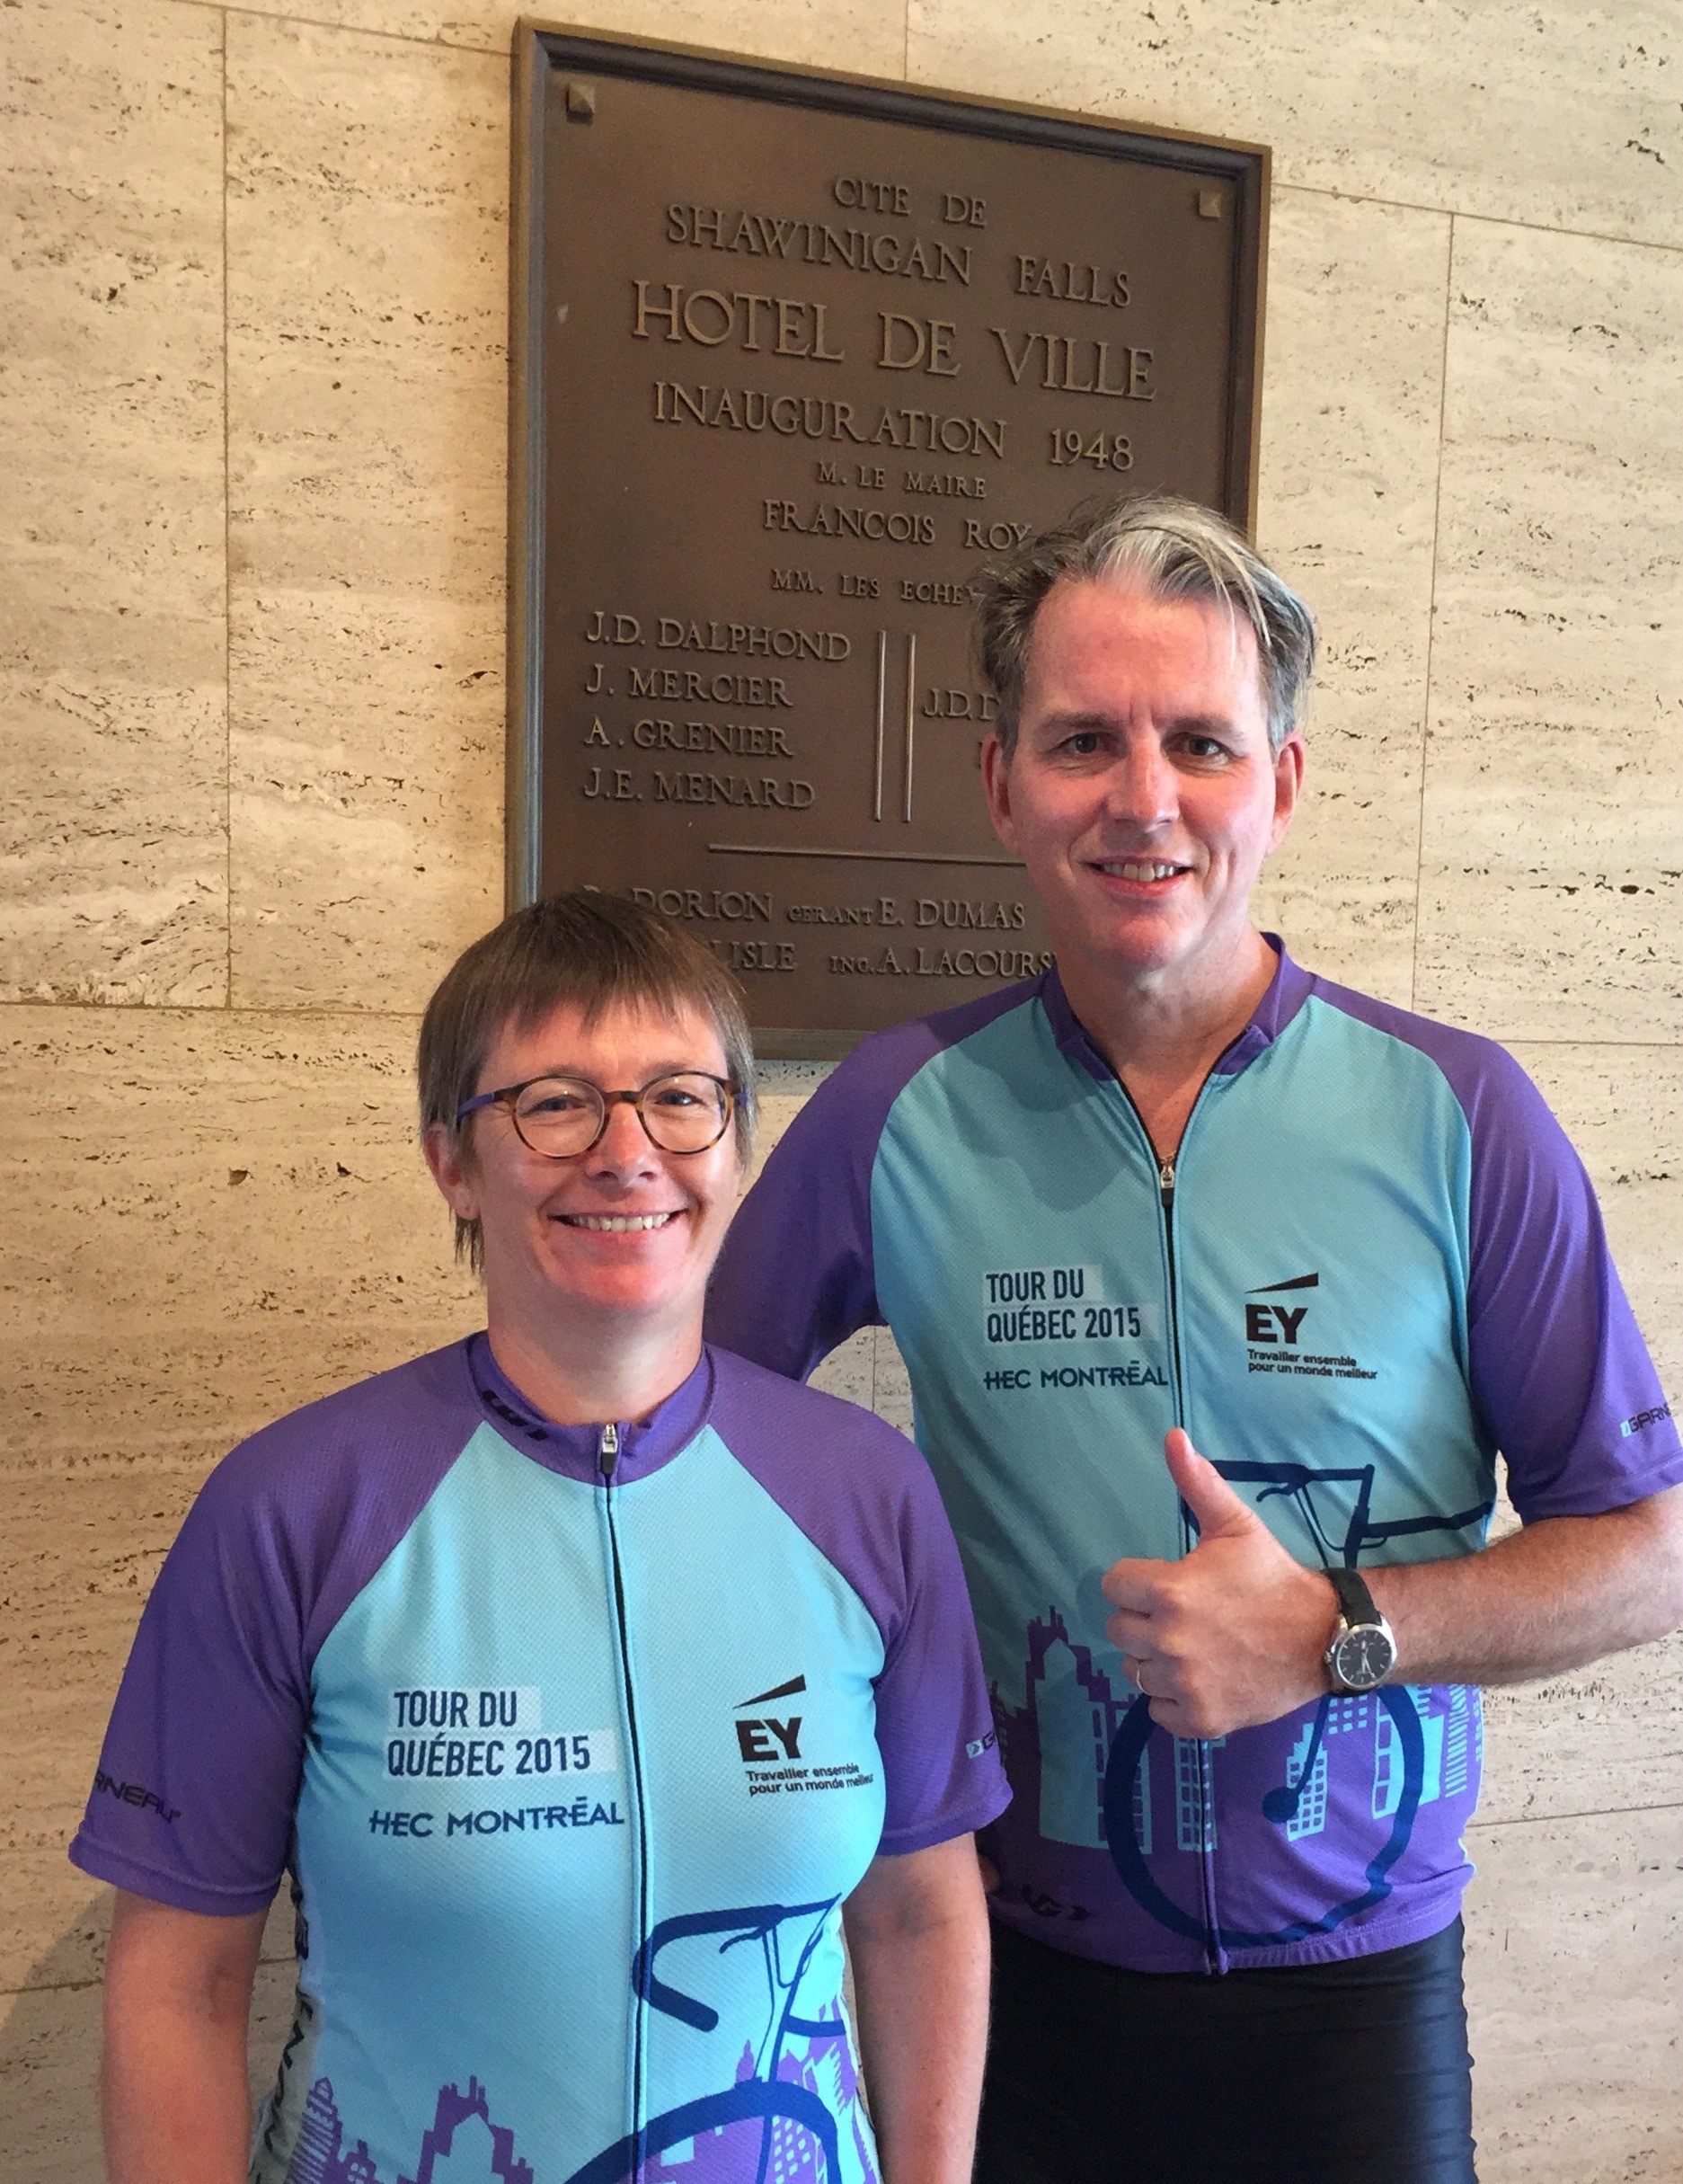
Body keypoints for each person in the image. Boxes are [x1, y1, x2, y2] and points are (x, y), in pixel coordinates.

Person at [705, 493, 1683, 2183]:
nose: (1141, 796)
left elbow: (1648, 1549)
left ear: (1279, 784)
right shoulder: (895, 1110)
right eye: (1082, 739)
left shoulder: (1458, 1113)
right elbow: (690, 1439)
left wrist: (1336, 1631)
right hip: (1008, 1976)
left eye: (1200, 743)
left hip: (1355, 1999)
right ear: (1001, 783)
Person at [72, 892, 1008, 2184]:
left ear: (736, 1144)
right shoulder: (295, 1507)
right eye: (555, 1103)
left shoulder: (867, 1492)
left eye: (679, 1098)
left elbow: (919, 1916)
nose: (627, 1153)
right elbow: (181, 1978)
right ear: (451, 1161)